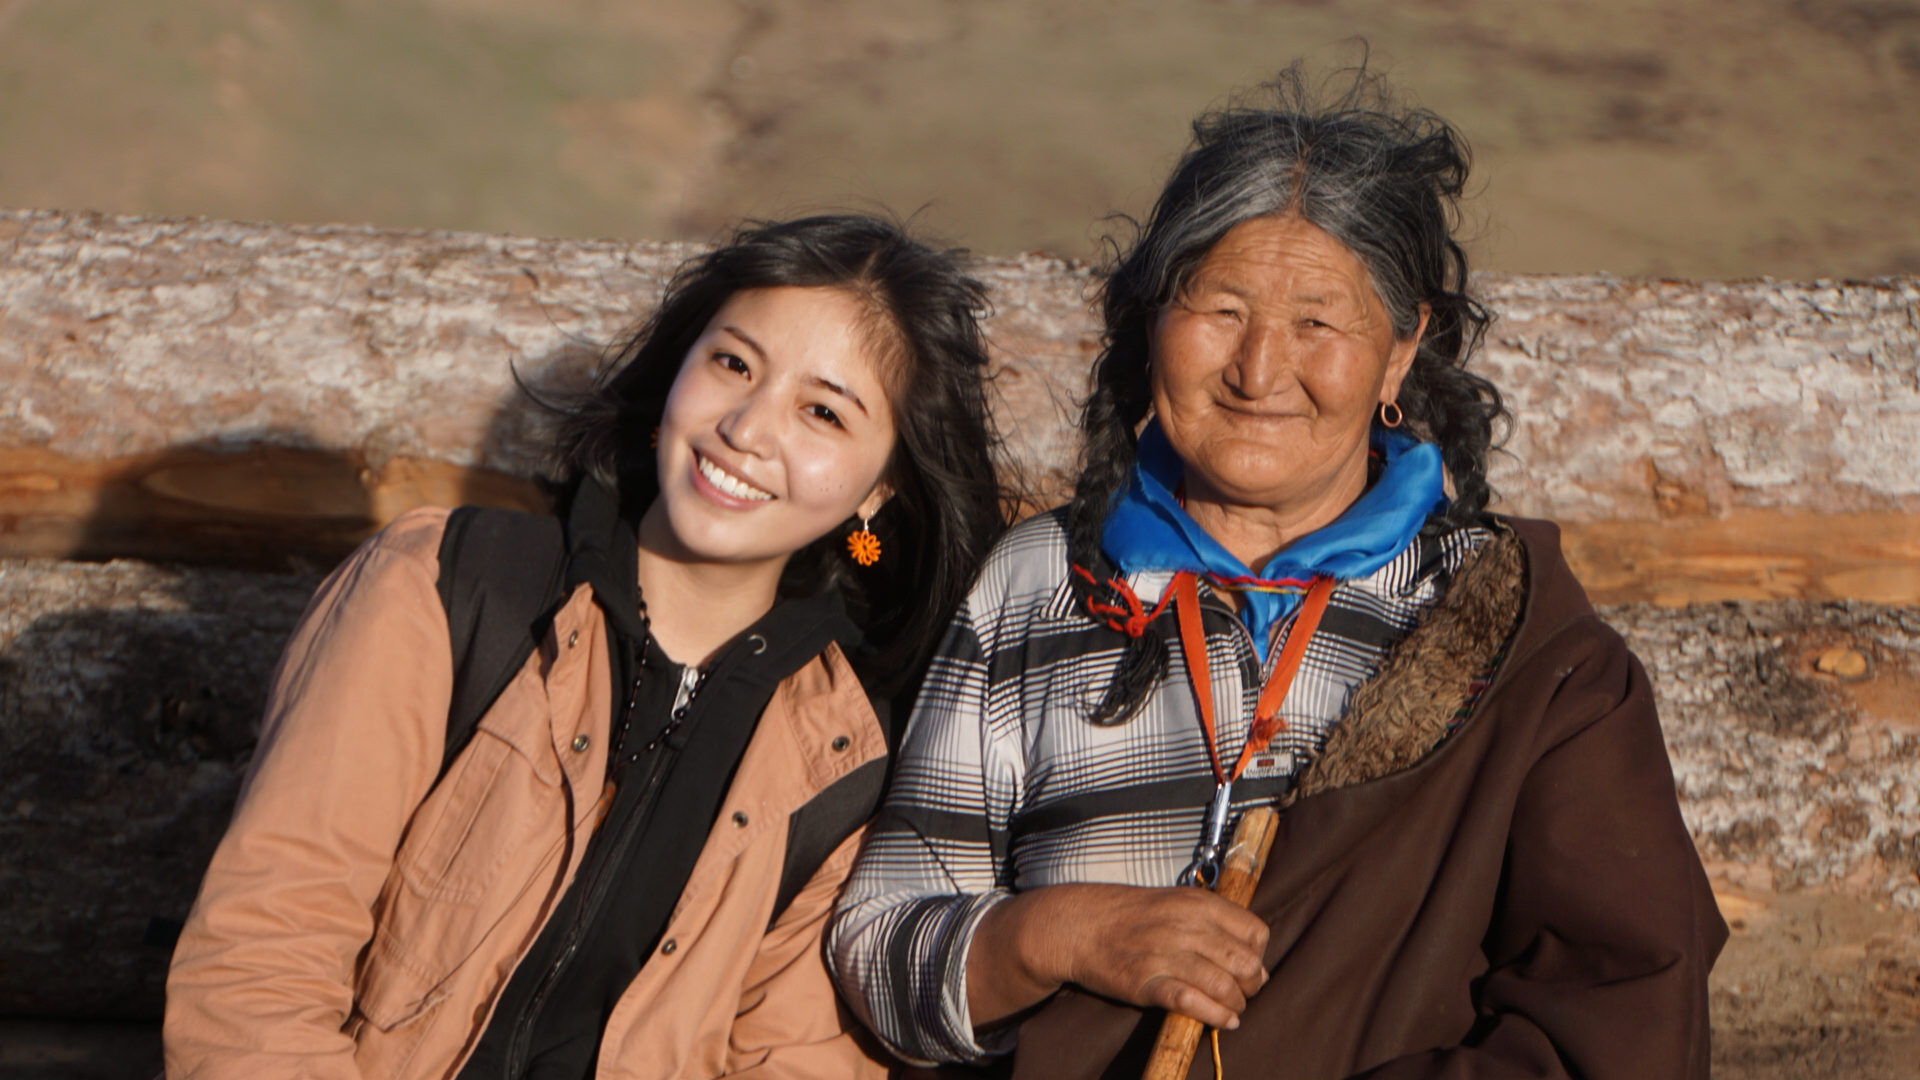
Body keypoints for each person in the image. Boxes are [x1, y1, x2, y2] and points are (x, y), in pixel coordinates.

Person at [828, 70, 1727, 1080]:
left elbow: (1620, 1014)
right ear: (1150, 320)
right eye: (1219, 307)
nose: (1258, 371)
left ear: (1400, 351)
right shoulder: (1042, 582)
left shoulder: (1510, 637)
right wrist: (1053, 936)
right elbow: (877, 941)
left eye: (1316, 323)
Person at [163, 215, 1007, 1080]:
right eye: (733, 364)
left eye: (822, 411)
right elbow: (260, 963)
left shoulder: (846, 756)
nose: (748, 428)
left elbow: (795, 1061)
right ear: (679, 369)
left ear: (882, 488)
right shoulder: (448, 589)